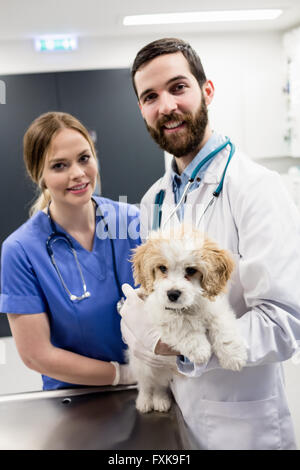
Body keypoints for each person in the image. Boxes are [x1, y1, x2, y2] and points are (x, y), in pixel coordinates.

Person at [120, 38, 300, 450]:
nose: (165, 106)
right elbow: (155, 288)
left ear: (207, 91)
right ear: (142, 110)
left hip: (242, 423)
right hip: (177, 417)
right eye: (150, 96)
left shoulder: (257, 188)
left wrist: (184, 348)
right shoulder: (155, 199)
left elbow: (286, 321)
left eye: (178, 87)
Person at [0, 111, 140, 390]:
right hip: (74, 400)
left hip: (146, 387)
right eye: (59, 166)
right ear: (39, 175)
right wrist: (121, 375)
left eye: (84, 158)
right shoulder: (20, 251)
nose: (78, 174)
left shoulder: (131, 221)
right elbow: (35, 354)